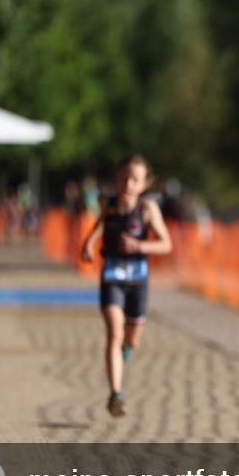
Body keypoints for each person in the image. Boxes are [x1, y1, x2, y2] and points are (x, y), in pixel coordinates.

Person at [81, 155, 173, 417]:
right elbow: (99, 226)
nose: (128, 183)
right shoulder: (109, 205)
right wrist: (89, 242)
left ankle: (122, 359)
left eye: (134, 179)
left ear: (144, 184)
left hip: (137, 282)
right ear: (116, 179)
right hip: (111, 278)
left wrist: (140, 246)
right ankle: (116, 394)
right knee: (115, 332)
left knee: (131, 339)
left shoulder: (147, 210)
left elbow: (166, 244)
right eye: (123, 178)